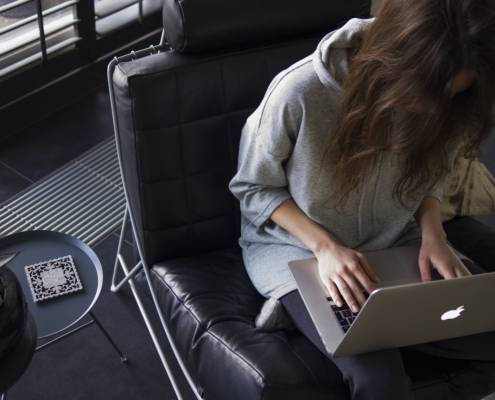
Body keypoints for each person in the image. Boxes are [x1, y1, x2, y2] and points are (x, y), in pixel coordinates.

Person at [228, 0, 495, 399]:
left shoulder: (451, 96)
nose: (435, 108)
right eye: (430, 93)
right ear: (398, 61)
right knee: (380, 382)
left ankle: (352, 319)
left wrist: (433, 233)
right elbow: (252, 187)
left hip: (394, 241)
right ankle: (300, 305)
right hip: (298, 249)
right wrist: (327, 248)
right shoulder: (298, 92)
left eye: (453, 95)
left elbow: (432, 174)